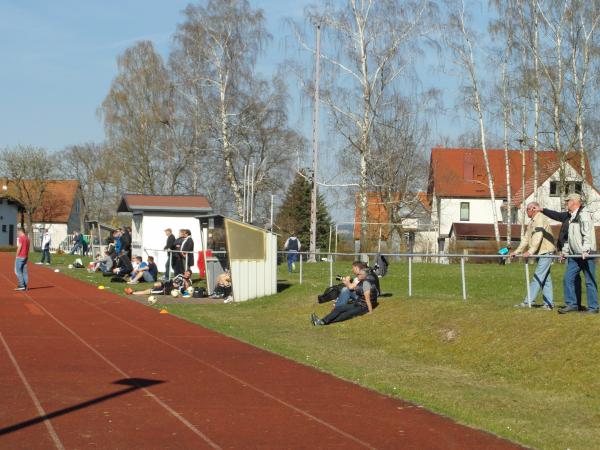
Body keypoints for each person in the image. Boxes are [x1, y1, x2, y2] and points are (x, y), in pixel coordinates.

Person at [534, 203, 583, 309]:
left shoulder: (581, 216)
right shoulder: (566, 216)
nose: (567, 205)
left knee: (572, 278)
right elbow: (555, 214)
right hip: (566, 251)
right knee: (573, 278)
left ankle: (574, 304)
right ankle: (575, 303)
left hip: (575, 252)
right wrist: (542, 209)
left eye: (569, 203)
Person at [557, 194, 598, 314]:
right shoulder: (572, 217)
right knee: (568, 279)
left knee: (590, 281)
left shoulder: (584, 214)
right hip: (574, 256)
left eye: (567, 201)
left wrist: (586, 250)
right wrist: (564, 252)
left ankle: (593, 307)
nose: (566, 203)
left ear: (575, 202)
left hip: (586, 255)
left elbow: (587, 234)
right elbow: (569, 238)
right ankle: (572, 304)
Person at [510, 202, 556, 309]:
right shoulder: (532, 221)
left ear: (533, 209)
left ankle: (528, 302)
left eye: (527, 209)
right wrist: (517, 251)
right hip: (541, 252)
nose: (526, 211)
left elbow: (538, 236)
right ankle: (549, 304)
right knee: (545, 278)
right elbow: (526, 238)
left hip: (546, 251)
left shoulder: (540, 219)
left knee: (537, 276)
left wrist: (530, 251)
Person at [311, 268, 376, 326]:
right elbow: (354, 288)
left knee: (345, 315)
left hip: (363, 307)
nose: (357, 275)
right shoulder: (362, 281)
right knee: (339, 308)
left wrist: (370, 311)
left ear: (364, 275)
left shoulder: (366, 283)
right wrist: (347, 282)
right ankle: (322, 321)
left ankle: (322, 322)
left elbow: (367, 299)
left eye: (359, 274)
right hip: (358, 303)